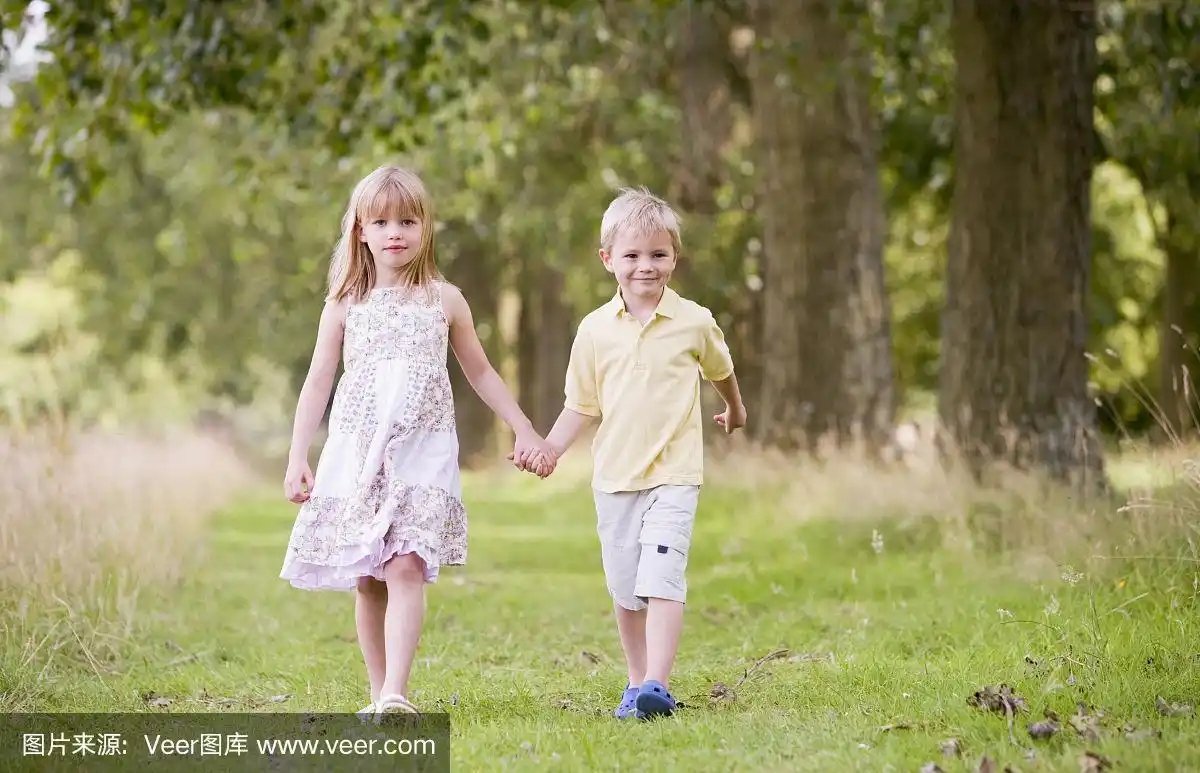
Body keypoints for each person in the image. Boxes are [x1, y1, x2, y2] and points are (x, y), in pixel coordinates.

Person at [279, 164, 555, 721]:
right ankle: (378, 692)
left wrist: (524, 427)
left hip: (421, 450)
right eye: (381, 222)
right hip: (358, 451)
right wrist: (297, 456)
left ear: (425, 228)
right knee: (368, 577)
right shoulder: (345, 304)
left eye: (407, 221)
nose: (394, 233)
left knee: (406, 564)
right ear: (360, 231)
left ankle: (396, 694)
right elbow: (319, 380)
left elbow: (480, 371)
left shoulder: (444, 300)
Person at [516, 187, 747, 720]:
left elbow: (722, 370)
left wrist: (735, 409)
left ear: (674, 258)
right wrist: (550, 449)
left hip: (675, 474)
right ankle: (636, 680)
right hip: (615, 478)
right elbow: (581, 404)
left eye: (658, 254)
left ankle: (658, 685)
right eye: (633, 255)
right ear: (608, 259)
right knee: (626, 589)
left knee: (663, 576)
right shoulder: (594, 330)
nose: (646, 266)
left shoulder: (694, 320)